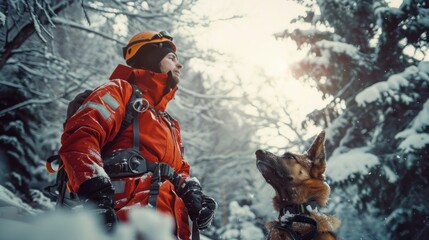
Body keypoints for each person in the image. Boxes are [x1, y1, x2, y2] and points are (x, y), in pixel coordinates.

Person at [58, 31, 216, 239]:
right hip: (122, 225)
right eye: (171, 58)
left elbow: (179, 170)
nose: (180, 65)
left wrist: (192, 191)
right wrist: (95, 194)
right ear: (151, 57)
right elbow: (81, 136)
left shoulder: (170, 123)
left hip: (168, 230)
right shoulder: (119, 91)